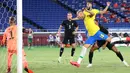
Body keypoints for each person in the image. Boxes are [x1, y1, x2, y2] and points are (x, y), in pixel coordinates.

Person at [70, 1, 112, 67]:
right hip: (92, 35)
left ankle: (115, 39)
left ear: (91, 5)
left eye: (88, 4)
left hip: (97, 33)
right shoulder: (84, 12)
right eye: (87, 4)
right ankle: (78, 62)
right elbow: (80, 17)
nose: (87, 5)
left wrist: (107, 6)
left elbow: (98, 13)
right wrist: (72, 19)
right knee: (84, 47)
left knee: (109, 40)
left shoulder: (93, 11)